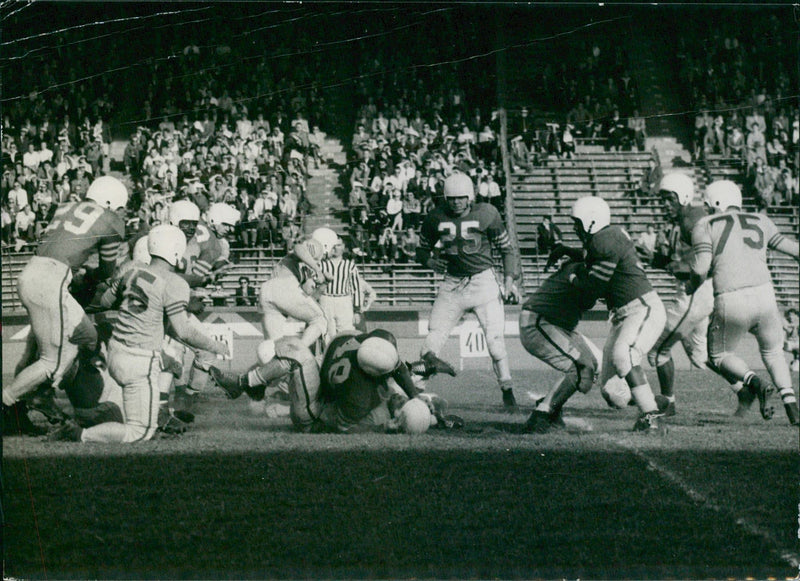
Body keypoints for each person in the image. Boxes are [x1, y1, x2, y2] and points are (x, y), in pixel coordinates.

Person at [47, 225, 229, 442]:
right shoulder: (175, 283)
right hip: (140, 360)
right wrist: (213, 345)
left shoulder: (131, 271)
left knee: (141, 396)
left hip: (116, 352)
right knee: (141, 431)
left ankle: (99, 419)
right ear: (177, 250)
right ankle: (78, 434)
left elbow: (106, 301)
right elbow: (183, 330)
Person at [2, 176, 128, 436]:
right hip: (51, 279)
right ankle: (10, 403)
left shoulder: (66, 206)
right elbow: (107, 269)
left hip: (34, 271)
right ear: (111, 201)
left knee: (81, 338)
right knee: (51, 360)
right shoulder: (110, 219)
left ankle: (34, 399)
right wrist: (92, 276)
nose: (119, 212)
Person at [550, 196, 667, 431]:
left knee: (625, 355)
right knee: (614, 393)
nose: (574, 228)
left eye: (577, 223)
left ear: (591, 221)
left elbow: (591, 292)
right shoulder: (606, 237)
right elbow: (589, 257)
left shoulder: (604, 240)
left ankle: (652, 416)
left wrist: (571, 277)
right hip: (622, 315)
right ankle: (654, 401)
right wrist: (568, 252)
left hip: (641, 308)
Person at [688, 180, 799, 425]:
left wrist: (690, 285)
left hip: (731, 297)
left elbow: (701, 269)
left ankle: (754, 382)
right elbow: (794, 250)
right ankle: (792, 407)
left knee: (718, 355)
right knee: (773, 352)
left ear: (716, 203)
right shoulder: (761, 219)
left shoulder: (705, 224)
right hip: (766, 295)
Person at [208, 330, 459, 434]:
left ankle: (246, 382)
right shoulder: (361, 396)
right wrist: (389, 425)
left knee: (293, 347)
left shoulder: (351, 340)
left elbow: (398, 368)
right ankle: (245, 383)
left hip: (328, 393)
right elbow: (333, 424)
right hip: (315, 414)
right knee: (391, 401)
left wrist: (413, 397)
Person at [416, 172, 521, 411]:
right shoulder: (435, 217)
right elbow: (420, 251)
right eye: (451, 198)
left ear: (470, 197)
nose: (456, 203)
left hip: (483, 281)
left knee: (495, 343)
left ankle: (507, 391)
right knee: (433, 338)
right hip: (453, 283)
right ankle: (415, 388)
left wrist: (508, 281)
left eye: (460, 198)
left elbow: (507, 249)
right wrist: (431, 263)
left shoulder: (487, 213)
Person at [645, 173, 719, 417]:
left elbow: (709, 262)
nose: (664, 205)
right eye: (662, 200)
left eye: (669, 199)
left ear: (683, 197)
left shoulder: (693, 221)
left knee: (656, 350)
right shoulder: (683, 221)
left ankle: (668, 402)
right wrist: (653, 259)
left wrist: (680, 268)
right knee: (701, 356)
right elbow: (677, 263)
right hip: (696, 293)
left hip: (694, 293)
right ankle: (748, 386)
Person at [520, 259, 600, 432]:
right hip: (540, 321)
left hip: (557, 325)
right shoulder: (580, 268)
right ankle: (541, 416)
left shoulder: (586, 264)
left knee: (592, 367)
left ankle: (550, 408)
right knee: (580, 368)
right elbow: (587, 291)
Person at [258, 227, 333, 349]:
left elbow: (307, 294)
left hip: (267, 292)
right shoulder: (316, 248)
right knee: (320, 319)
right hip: (283, 286)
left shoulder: (306, 264)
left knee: (274, 346)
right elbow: (298, 248)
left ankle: (264, 368)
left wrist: (325, 283)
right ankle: (299, 351)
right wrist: (318, 270)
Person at [318, 232, 365, 344]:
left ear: (343, 247)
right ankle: (329, 360)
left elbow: (356, 288)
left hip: (343, 300)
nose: (335, 248)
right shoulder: (321, 265)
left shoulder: (349, 265)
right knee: (327, 334)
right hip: (326, 299)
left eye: (338, 245)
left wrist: (357, 310)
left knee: (346, 332)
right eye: (333, 245)